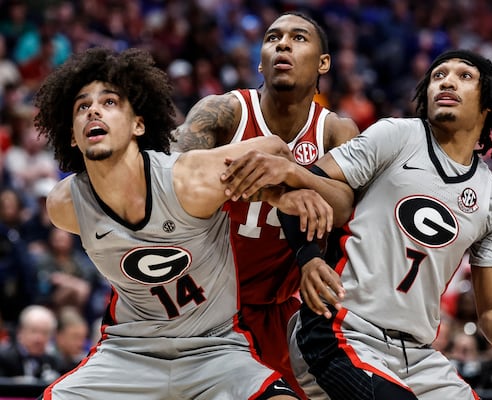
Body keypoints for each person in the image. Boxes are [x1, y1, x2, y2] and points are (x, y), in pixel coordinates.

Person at [221, 49, 492, 399]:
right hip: (340, 328)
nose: (447, 81)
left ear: (488, 104)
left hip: (418, 355)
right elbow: (301, 187)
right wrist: (308, 256)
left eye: (464, 76)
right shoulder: (396, 136)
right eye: (438, 76)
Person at [32, 46, 328, 399]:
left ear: (138, 124)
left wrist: (272, 190)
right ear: (71, 135)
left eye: (109, 102)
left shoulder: (189, 180)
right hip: (127, 355)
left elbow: (276, 148)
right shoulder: (64, 206)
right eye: (82, 107)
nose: (93, 109)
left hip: (214, 352)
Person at [171, 11, 358, 397]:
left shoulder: (337, 130)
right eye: (273, 38)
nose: (283, 44)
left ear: (324, 62)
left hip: (282, 308)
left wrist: (294, 174)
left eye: (298, 38)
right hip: (205, 305)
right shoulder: (222, 112)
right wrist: (278, 191)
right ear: (260, 61)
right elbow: (171, 181)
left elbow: (343, 207)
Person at [0, 304, 60, 384]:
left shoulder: (53, 361)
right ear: (20, 332)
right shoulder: (3, 358)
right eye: (34, 331)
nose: (39, 339)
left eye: (45, 333)